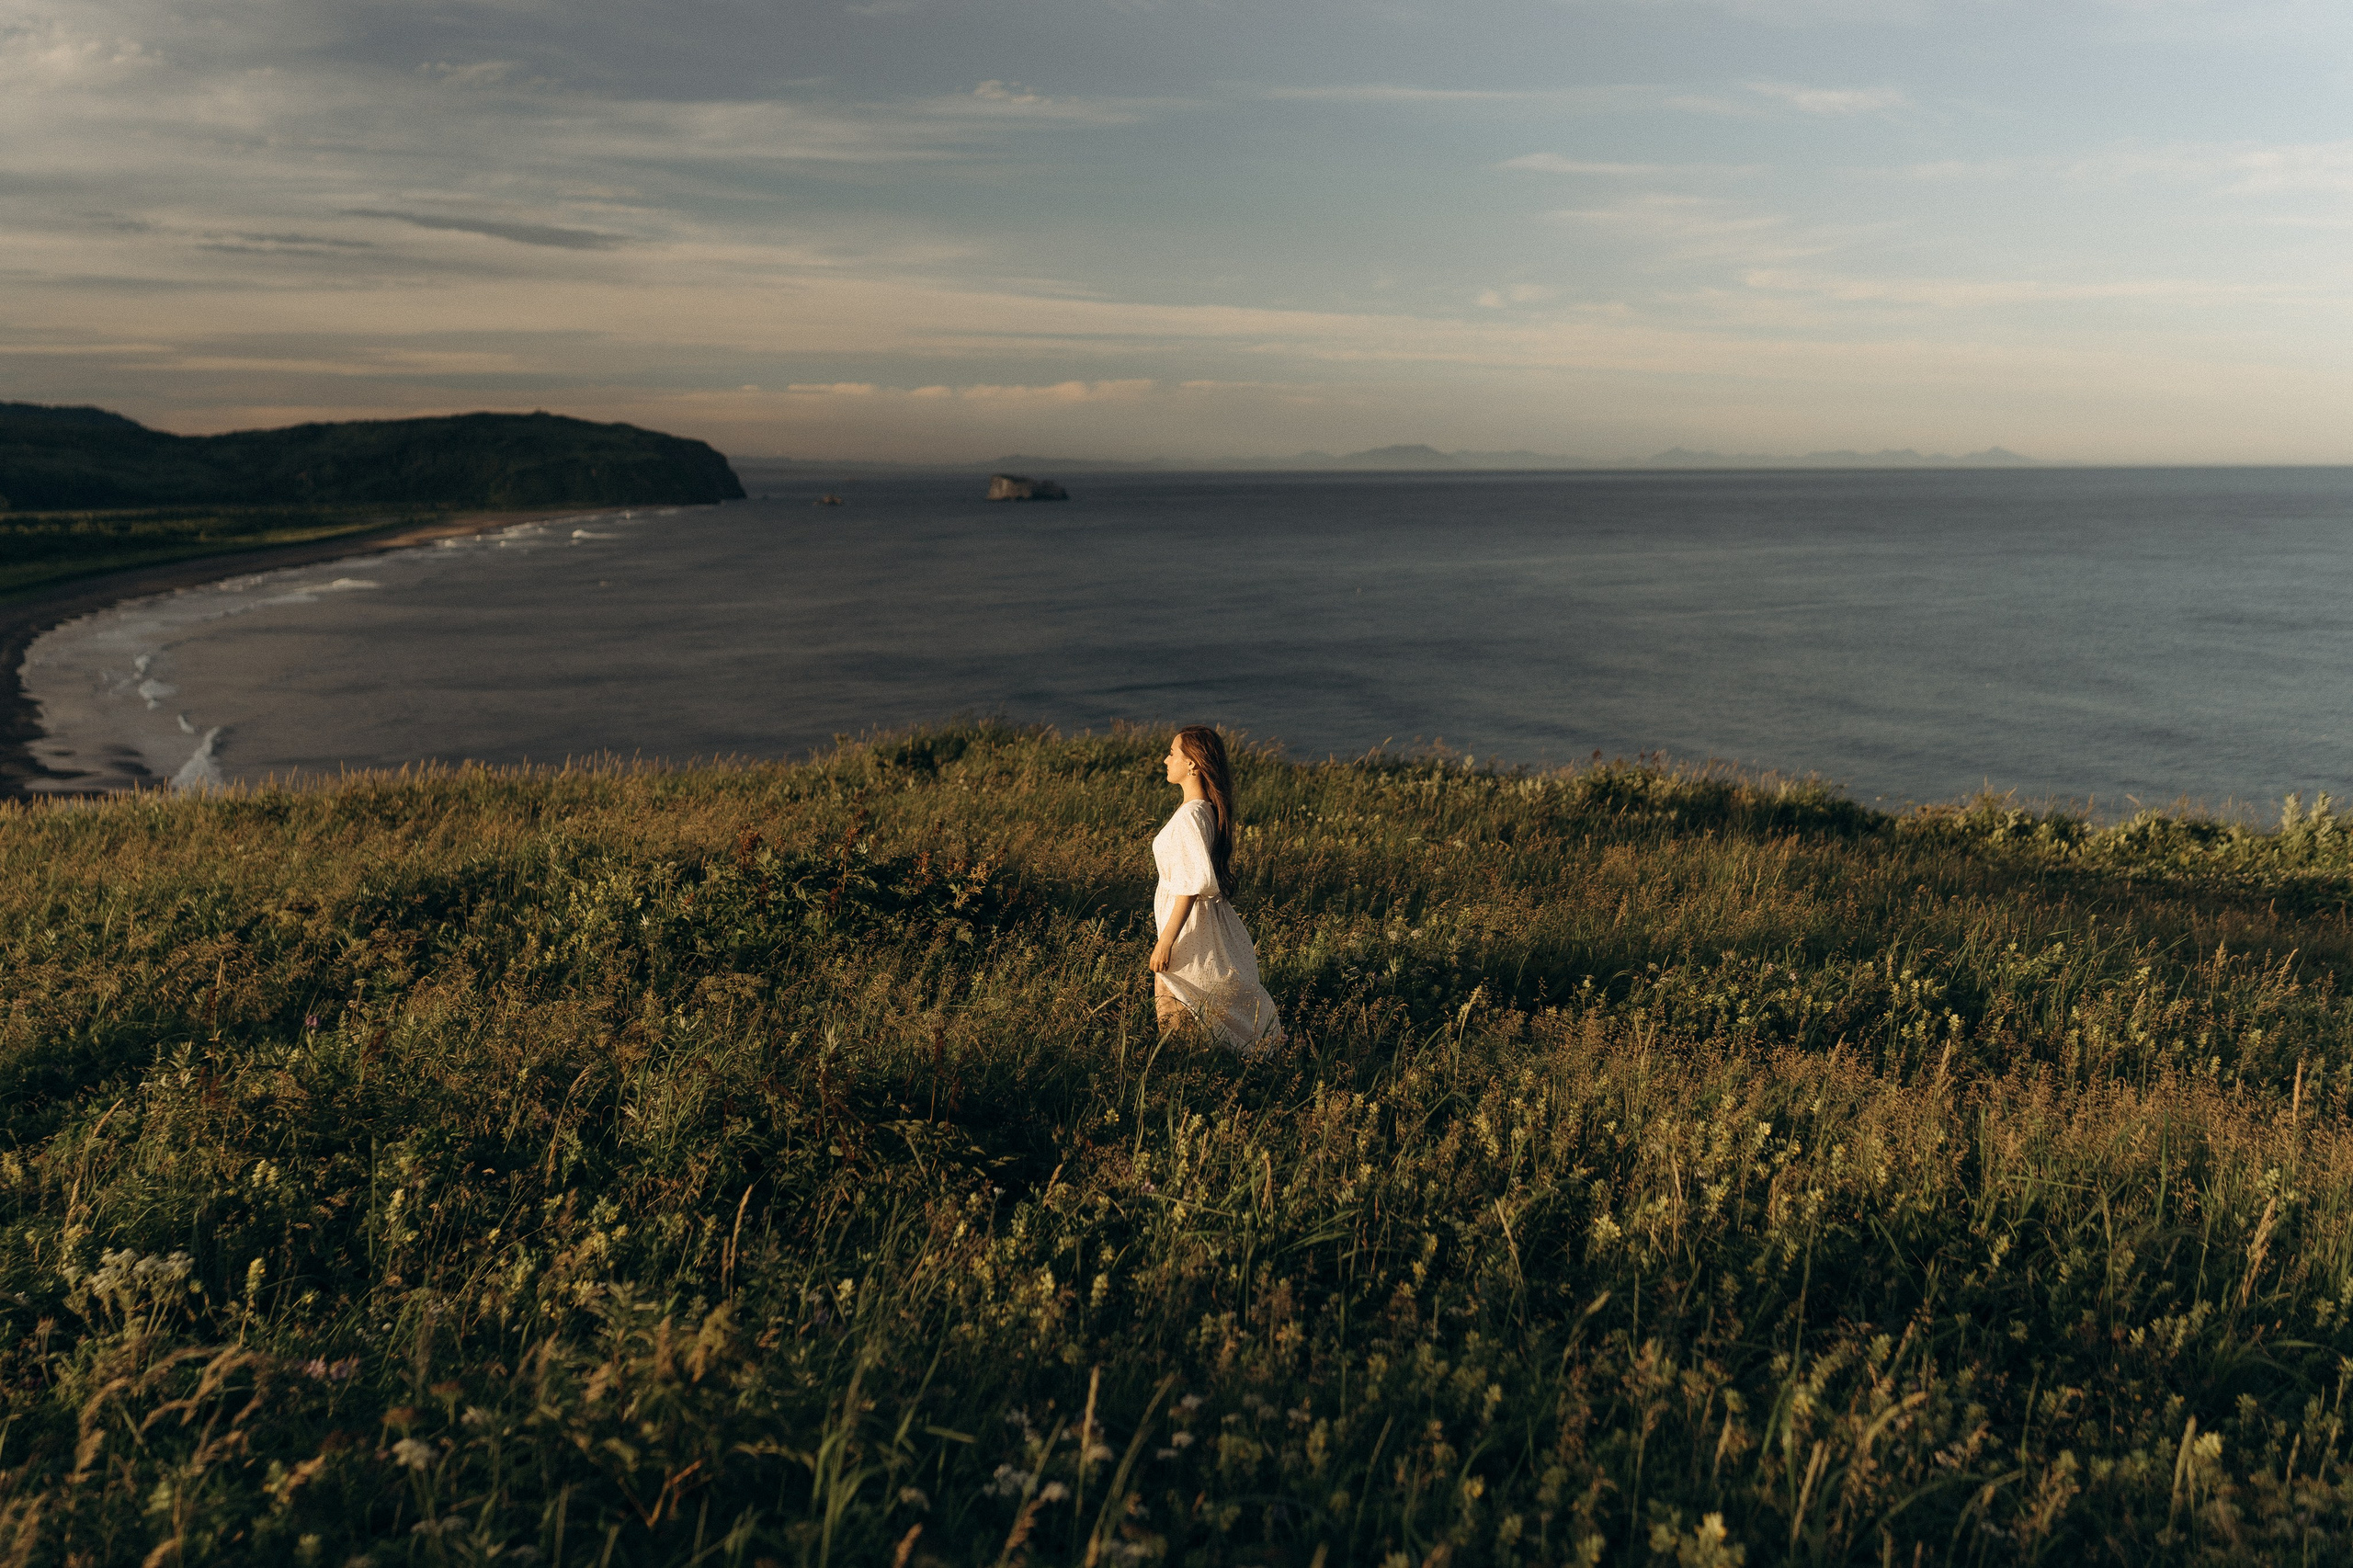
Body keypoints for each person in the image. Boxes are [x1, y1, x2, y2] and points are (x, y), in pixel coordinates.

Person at [1150, 725, 1284, 1053]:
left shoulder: (1191, 816)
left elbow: (1191, 885)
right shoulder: (1204, 810)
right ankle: (1210, 1060)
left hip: (1187, 929)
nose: (1165, 760)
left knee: (1175, 1002)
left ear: (1193, 764)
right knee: (1189, 999)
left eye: (1172, 753)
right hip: (1195, 924)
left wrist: (1166, 941)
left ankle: (1189, 1067)